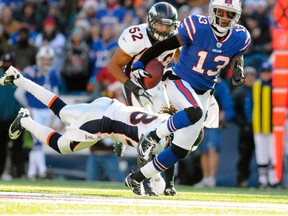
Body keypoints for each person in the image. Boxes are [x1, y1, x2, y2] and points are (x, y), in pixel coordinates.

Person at [0, 65, 203, 194]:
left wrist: (169, 185)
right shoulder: (161, 140)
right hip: (103, 123)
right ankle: (25, 121)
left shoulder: (167, 120)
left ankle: (18, 78)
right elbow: (147, 150)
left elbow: (162, 153)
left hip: (108, 105)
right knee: (62, 146)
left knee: (62, 111)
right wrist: (146, 183)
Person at [122, 0, 251, 195]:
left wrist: (238, 68)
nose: (224, 18)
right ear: (212, 11)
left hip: (204, 91)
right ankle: (153, 136)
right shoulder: (197, 26)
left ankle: (136, 178)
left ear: (236, 17)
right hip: (180, 80)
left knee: (180, 149)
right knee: (194, 112)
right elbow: (166, 44)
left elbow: (236, 55)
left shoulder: (241, 37)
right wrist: (141, 63)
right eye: (220, 12)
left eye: (229, 14)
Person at [108, 2, 179, 196]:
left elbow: (181, 60)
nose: (164, 29)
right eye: (160, 25)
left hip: (159, 86)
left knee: (170, 130)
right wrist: (133, 88)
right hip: (135, 84)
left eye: (168, 25)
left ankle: (170, 183)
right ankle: (143, 179)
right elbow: (113, 66)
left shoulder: (177, 36)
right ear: (150, 22)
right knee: (143, 132)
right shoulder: (136, 37)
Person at [14, 46, 61, 180]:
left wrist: (54, 112)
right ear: (39, 59)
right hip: (35, 110)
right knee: (38, 141)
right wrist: (28, 107)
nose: (46, 62)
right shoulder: (31, 72)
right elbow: (19, 93)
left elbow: (55, 94)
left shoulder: (52, 73)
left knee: (38, 142)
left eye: (49, 59)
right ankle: (42, 171)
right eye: (44, 59)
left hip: (47, 110)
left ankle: (32, 173)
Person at [252, 62, 277, 188]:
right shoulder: (256, 85)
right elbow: (250, 104)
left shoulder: (276, 86)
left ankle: (273, 180)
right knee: (261, 153)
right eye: (264, 72)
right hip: (258, 125)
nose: (266, 74)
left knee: (273, 153)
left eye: (268, 72)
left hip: (273, 127)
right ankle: (263, 180)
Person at [0, 53, 25, 180]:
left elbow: (23, 97)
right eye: (5, 62)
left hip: (16, 118)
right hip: (1, 118)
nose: (7, 65)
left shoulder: (19, 76)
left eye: (9, 63)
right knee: (1, 147)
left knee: (17, 147)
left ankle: (18, 172)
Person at [233, 66, 256, 187]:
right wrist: (243, 124)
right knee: (244, 155)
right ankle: (242, 179)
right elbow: (234, 111)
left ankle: (262, 180)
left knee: (261, 155)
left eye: (252, 75)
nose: (250, 78)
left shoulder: (260, 90)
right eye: (247, 75)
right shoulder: (239, 92)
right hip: (245, 128)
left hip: (259, 128)